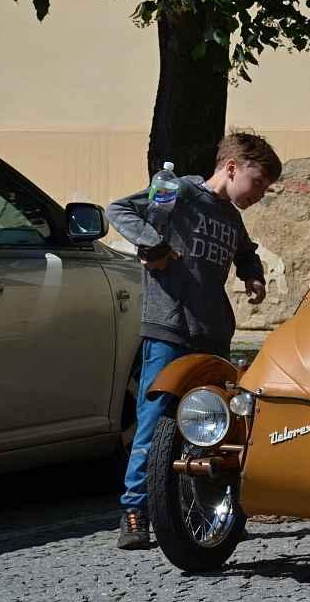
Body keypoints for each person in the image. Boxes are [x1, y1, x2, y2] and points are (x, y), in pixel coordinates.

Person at [106, 131, 281, 550]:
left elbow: (244, 250)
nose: (260, 193)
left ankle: (201, 502)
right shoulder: (177, 191)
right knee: (155, 420)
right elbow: (121, 210)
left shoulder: (230, 218)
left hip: (213, 333)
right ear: (232, 167)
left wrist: (252, 274)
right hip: (169, 327)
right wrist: (155, 245)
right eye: (258, 183)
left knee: (212, 425)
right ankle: (135, 510)